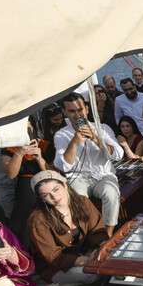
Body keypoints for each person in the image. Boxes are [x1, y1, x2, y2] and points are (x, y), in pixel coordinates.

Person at [53, 92, 124, 237]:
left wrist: (96, 138)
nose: (77, 115)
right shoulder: (61, 135)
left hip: (103, 175)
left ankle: (108, 235)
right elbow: (62, 165)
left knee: (111, 193)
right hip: (78, 177)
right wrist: (74, 141)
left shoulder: (102, 128)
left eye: (80, 110)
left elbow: (118, 154)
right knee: (78, 199)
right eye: (72, 111)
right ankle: (88, 236)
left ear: (87, 109)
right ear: (65, 112)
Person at [27, 170, 108, 285]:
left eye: (56, 189)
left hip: (85, 253)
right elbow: (52, 256)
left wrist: (101, 247)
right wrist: (82, 261)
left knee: (110, 263)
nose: (54, 196)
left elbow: (97, 229)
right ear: (41, 199)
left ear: (64, 185)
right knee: (92, 274)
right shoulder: (38, 220)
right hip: (56, 266)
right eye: (46, 195)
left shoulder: (83, 202)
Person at [2, 117, 50, 243]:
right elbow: (11, 174)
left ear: (32, 127)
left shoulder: (45, 144)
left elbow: (54, 173)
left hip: (47, 181)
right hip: (26, 186)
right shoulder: (11, 148)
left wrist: (40, 159)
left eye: (27, 127)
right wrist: (19, 153)